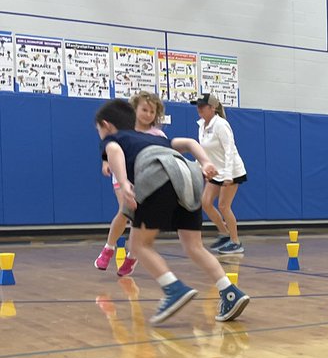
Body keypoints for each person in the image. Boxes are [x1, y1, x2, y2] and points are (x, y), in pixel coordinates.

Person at [95, 99, 250, 325]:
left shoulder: (114, 138)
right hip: (189, 178)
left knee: (138, 245)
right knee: (194, 246)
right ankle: (229, 292)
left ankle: (173, 288)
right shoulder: (156, 137)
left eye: (98, 129)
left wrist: (124, 181)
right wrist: (205, 162)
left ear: (106, 125)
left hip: (159, 179)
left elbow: (114, 150)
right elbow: (188, 142)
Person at [95, 91, 168, 277]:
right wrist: (105, 162)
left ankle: (132, 256)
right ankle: (108, 248)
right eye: (144, 109)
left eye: (152, 112)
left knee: (140, 219)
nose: (148, 114)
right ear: (134, 109)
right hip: (123, 178)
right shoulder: (123, 131)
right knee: (125, 210)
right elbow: (110, 148)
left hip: (146, 181)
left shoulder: (157, 134)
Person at [193, 93, 247, 256]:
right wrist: (199, 168)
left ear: (212, 108)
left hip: (231, 170)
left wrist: (228, 175)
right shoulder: (202, 125)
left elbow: (229, 150)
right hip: (215, 171)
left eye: (202, 106)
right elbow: (203, 150)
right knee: (206, 202)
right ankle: (224, 234)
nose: (199, 109)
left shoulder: (221, 125)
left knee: (224, 206)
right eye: (198, 106)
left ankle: (236, 242)